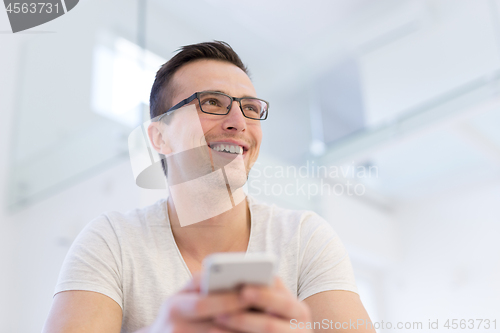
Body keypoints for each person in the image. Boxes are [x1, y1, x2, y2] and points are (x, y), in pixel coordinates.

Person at [42, 41, 375, 333]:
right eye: (212, 103)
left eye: (250, 108)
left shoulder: (304, 237)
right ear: (160, 137)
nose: (239, 123)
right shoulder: (112, 241)